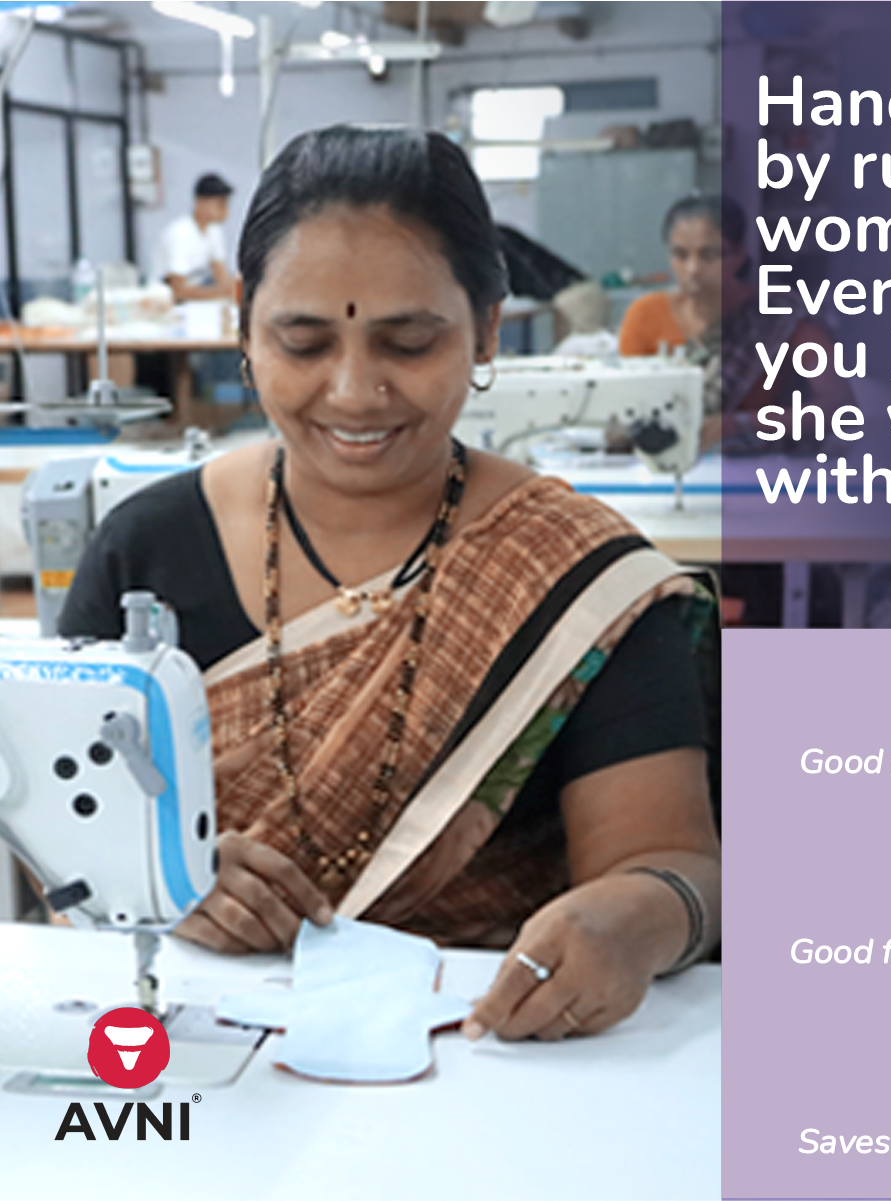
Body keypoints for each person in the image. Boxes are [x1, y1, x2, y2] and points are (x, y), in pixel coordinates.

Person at [60, 125, 721, 1043]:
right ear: (245, 327)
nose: (354, 391)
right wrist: (163, 877)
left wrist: (634, 918)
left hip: (505, 1051)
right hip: (202, 1057)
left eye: (408, 342)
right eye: (303, 342)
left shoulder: (576, 578)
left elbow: (672, 861)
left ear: (487, 330)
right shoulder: (145, 552)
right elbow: (59, 852)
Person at [619, 194, 853, 451]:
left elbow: (838, 407)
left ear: (740, 254)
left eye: (710, 255)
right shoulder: (645, 315)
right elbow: (626, 402)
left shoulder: (779, 317)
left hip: (760, 466)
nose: (693, 269)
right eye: (680, 255)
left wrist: (740, 423)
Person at [155, 172, 237, 303]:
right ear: (200, 203)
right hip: (165, 301)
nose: (225, 211)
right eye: (220, 204)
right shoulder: (180, 234)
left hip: (195, 299)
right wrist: (224, 292)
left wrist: (232, 289)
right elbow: (178, 291)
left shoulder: (214, 230)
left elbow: (222, 278)